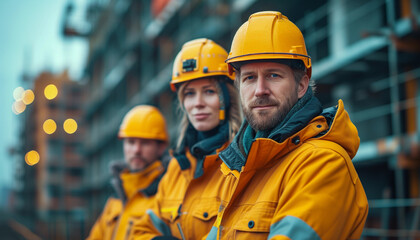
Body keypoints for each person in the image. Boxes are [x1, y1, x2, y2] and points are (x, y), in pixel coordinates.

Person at [205, 11, 369, 239]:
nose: (260, 90)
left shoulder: (323, 164)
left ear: (302, 86)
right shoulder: (240, 168)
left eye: (273, 75)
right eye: (249, 78)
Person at [132, 38, 242, 239]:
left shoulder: (243, 162)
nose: (197, 103)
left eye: (209, 91)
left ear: (228, 97)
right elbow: (141, 231)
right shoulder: (177, 167)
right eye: (190, 94)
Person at [87, 105, 169, 240]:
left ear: (161, 147)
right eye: (131, 142)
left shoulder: (167, 192)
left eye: (145, 143)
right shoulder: (116, 198)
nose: (136, 150)